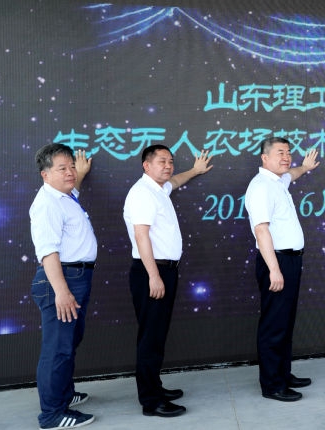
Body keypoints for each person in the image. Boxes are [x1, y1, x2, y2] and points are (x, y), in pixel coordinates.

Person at [123, 145, 213, 417]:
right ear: (146, 165)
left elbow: (175, 181)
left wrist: (195, 171)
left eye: (171, 161)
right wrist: (154, 276)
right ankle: (151, 401)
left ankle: (156, 388)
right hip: (152, 271)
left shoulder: (159, 189)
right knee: (150, 338)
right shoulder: (142, 193)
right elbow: (141, 236)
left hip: (164, 270)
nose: (168, 166)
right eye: (162, 161)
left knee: (157, 335)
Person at [244, 137, 320, 401]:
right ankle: (272, 385)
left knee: (285, 322)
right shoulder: (261, 187)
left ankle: (283, 374)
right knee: (274, 325)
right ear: (265, 158)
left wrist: (305, 168)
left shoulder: (278, 181)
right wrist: (274, 270)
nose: (286, 157)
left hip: (289, 261)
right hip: (276, 262)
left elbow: (292, 174)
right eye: (280, 153)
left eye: (288, 152)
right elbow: (261, 230)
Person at [30, 144, 96, 429]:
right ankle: (52, 414)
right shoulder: (47, 203)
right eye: (62, 169)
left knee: (68, 343)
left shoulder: (64, 196)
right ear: (45, 174)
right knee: (57, 348)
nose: (70, 172)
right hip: (61, 280)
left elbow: (72, 187)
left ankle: (63, 394)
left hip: (75, 277)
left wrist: (79, 175)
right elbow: (48, 252)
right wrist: (62, 291)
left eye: (71, 166)